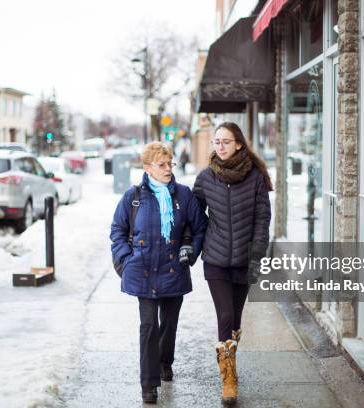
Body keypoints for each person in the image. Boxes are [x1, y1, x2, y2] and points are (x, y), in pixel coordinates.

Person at [110, 142, 207, 404]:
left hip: (174, 269)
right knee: (149, 325)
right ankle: (149, 384)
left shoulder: (184, 196)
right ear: (147, 168)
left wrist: (191, 250)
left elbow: (200, 227)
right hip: (143, 270)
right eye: (161, 164)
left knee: (169, 323)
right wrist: (126, 259)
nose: (167, 168)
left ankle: (165, 361)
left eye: (170, 163)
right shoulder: (133, 197)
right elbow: (117, 231)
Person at [193, 122, 272, 405]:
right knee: (225, 316)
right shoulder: (205, 178)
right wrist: (194, 244)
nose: (220, 146)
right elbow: (195, 217)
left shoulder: (255, 177)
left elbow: (263, 219)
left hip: (243, 260)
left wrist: (257, 254)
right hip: (215, 260)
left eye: (225, 141)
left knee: (235, 319)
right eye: (216, 141)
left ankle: (230, 361)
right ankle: (228, 379)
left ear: (239, 143)